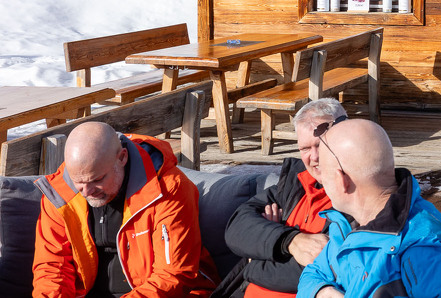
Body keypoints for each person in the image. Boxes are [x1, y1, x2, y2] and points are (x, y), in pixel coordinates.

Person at [33, 121, 218, 298]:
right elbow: (51, 269)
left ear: (122, 158)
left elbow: (173, 275)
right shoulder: (59, 193)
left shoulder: (169, 189)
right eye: (78, 182)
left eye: (97, 180)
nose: (87, 192)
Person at [296, 119, 441, 298]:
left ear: (341, 180)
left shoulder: (422, 248)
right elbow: (312, 274)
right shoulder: (345, 224)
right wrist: (323, 292)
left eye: (323, 172)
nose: (321, 180)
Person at [217, 100, 347, 298]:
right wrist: (289, 241)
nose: (314, 157)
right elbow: (237, 226)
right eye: (305, 148)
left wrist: (255, 259)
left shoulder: (355, 198)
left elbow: (319, 271)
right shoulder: (295, 184)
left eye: (320, 145)